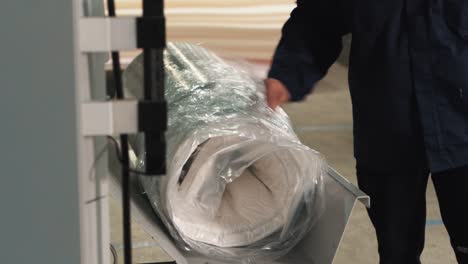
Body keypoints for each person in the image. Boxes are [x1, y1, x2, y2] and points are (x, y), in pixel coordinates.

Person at [265, 1, 468, 263]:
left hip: (461, 122)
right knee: (397, 251)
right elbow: (317, 20)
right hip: (388, 126)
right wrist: (288, 73)